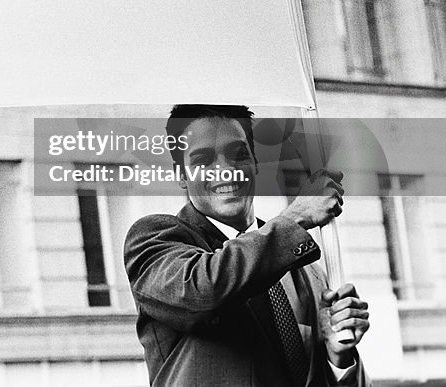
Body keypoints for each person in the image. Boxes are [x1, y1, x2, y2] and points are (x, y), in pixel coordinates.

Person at [123, 105, 371, 386]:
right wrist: (295, 216)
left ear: (255, 164)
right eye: (203, 160)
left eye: (238, 154)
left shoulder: (307, 271)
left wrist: (339, 359)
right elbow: (202, 291)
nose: (226, 170)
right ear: (181, 175)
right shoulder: (156, 240)